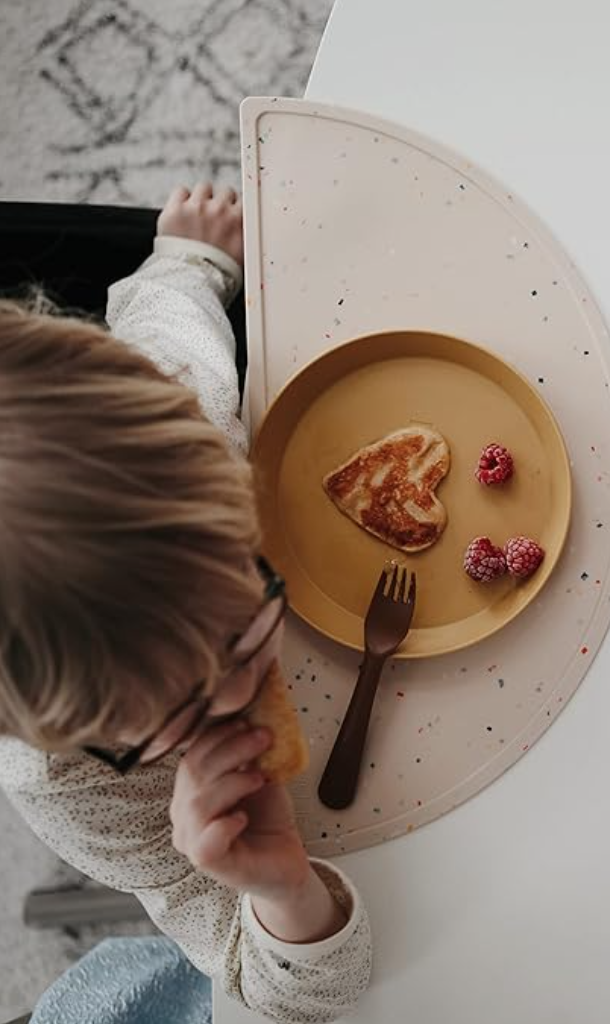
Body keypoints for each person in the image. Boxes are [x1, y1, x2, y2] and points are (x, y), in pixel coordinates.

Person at [0, 183, 372, 1023]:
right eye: (176, 712)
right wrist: (280, 890)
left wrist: (190, 257)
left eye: (243, 633)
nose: (241, 697)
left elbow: (165, 326)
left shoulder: (195, 429)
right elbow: (279, 994)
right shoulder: (71, 787)